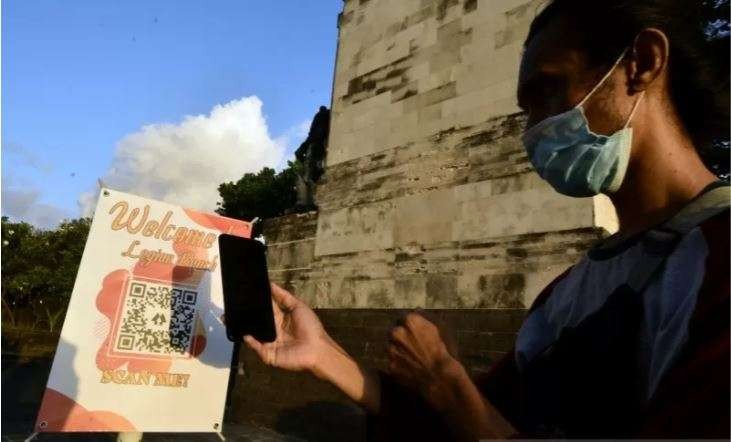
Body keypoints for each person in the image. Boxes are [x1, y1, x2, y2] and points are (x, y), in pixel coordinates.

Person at [239, 0, 730, 439]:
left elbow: (464, 410)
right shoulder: (569, 292)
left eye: (548, 90)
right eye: (525, 109)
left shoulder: (718, 259)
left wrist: (446, 382)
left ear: (641, 63)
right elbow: (474, 418)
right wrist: (327, 356)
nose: (534, 129)